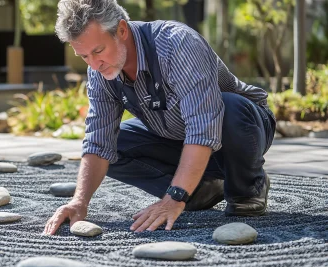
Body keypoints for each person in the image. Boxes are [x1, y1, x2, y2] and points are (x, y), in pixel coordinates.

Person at [43, 0, 276, 235]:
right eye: (84, 56)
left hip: (243, 128)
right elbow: (98, 142)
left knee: (230, 106)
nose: (94, 64)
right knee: (113, 147)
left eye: (98, 51)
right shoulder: (99, 70)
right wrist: (79, 202)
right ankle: (198, 190)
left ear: (121, 30)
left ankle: (247, 187)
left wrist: (174, 197)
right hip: (177, 136)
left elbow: (202, 127)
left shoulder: (178, 44)